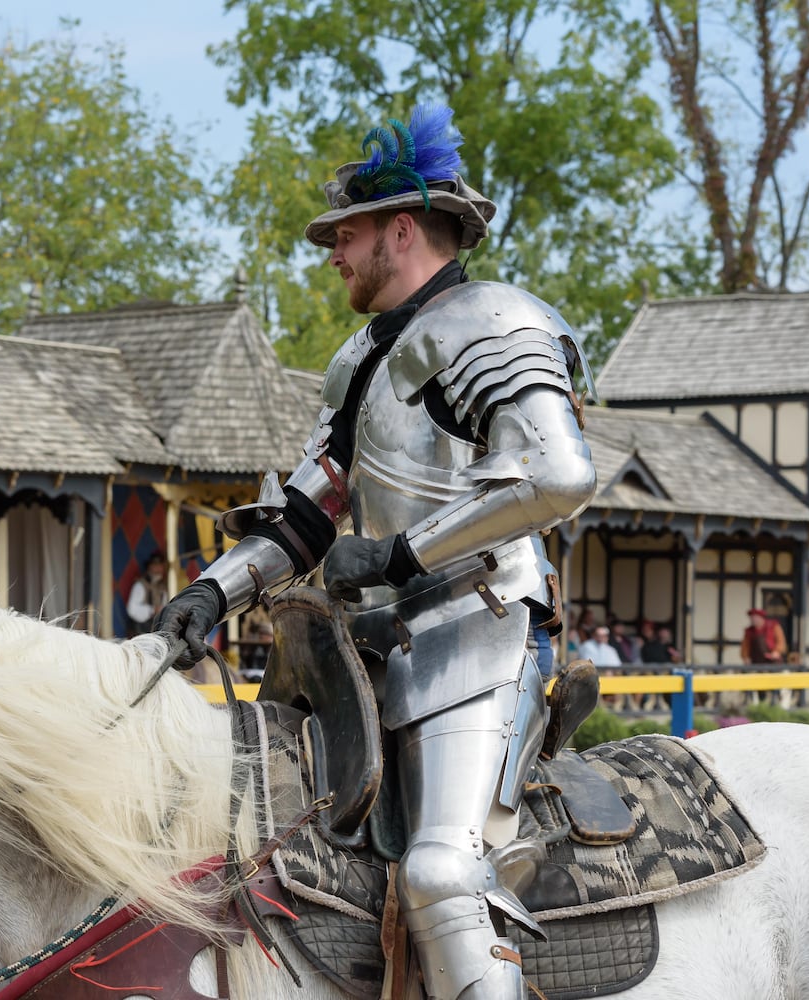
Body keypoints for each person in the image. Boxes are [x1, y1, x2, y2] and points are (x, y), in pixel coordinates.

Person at [155, 103, 596, 999]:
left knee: (441, 873)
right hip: (364, 657)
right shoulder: (356, 359)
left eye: (346, 236)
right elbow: (307, 518)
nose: (332, 254)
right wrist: (210, 593)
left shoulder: (494, 320)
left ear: (401, 228)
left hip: (482, 629)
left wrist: (401, 557)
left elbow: (559, 476)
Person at [125, 552, 170, 636]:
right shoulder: (140, 585)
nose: (158, 569)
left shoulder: (162, 588)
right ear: (149, 567)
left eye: (160, 566)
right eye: (155, 566)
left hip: (155, 632)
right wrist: (152, 610)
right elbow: (132, 609)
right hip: (139, 633)